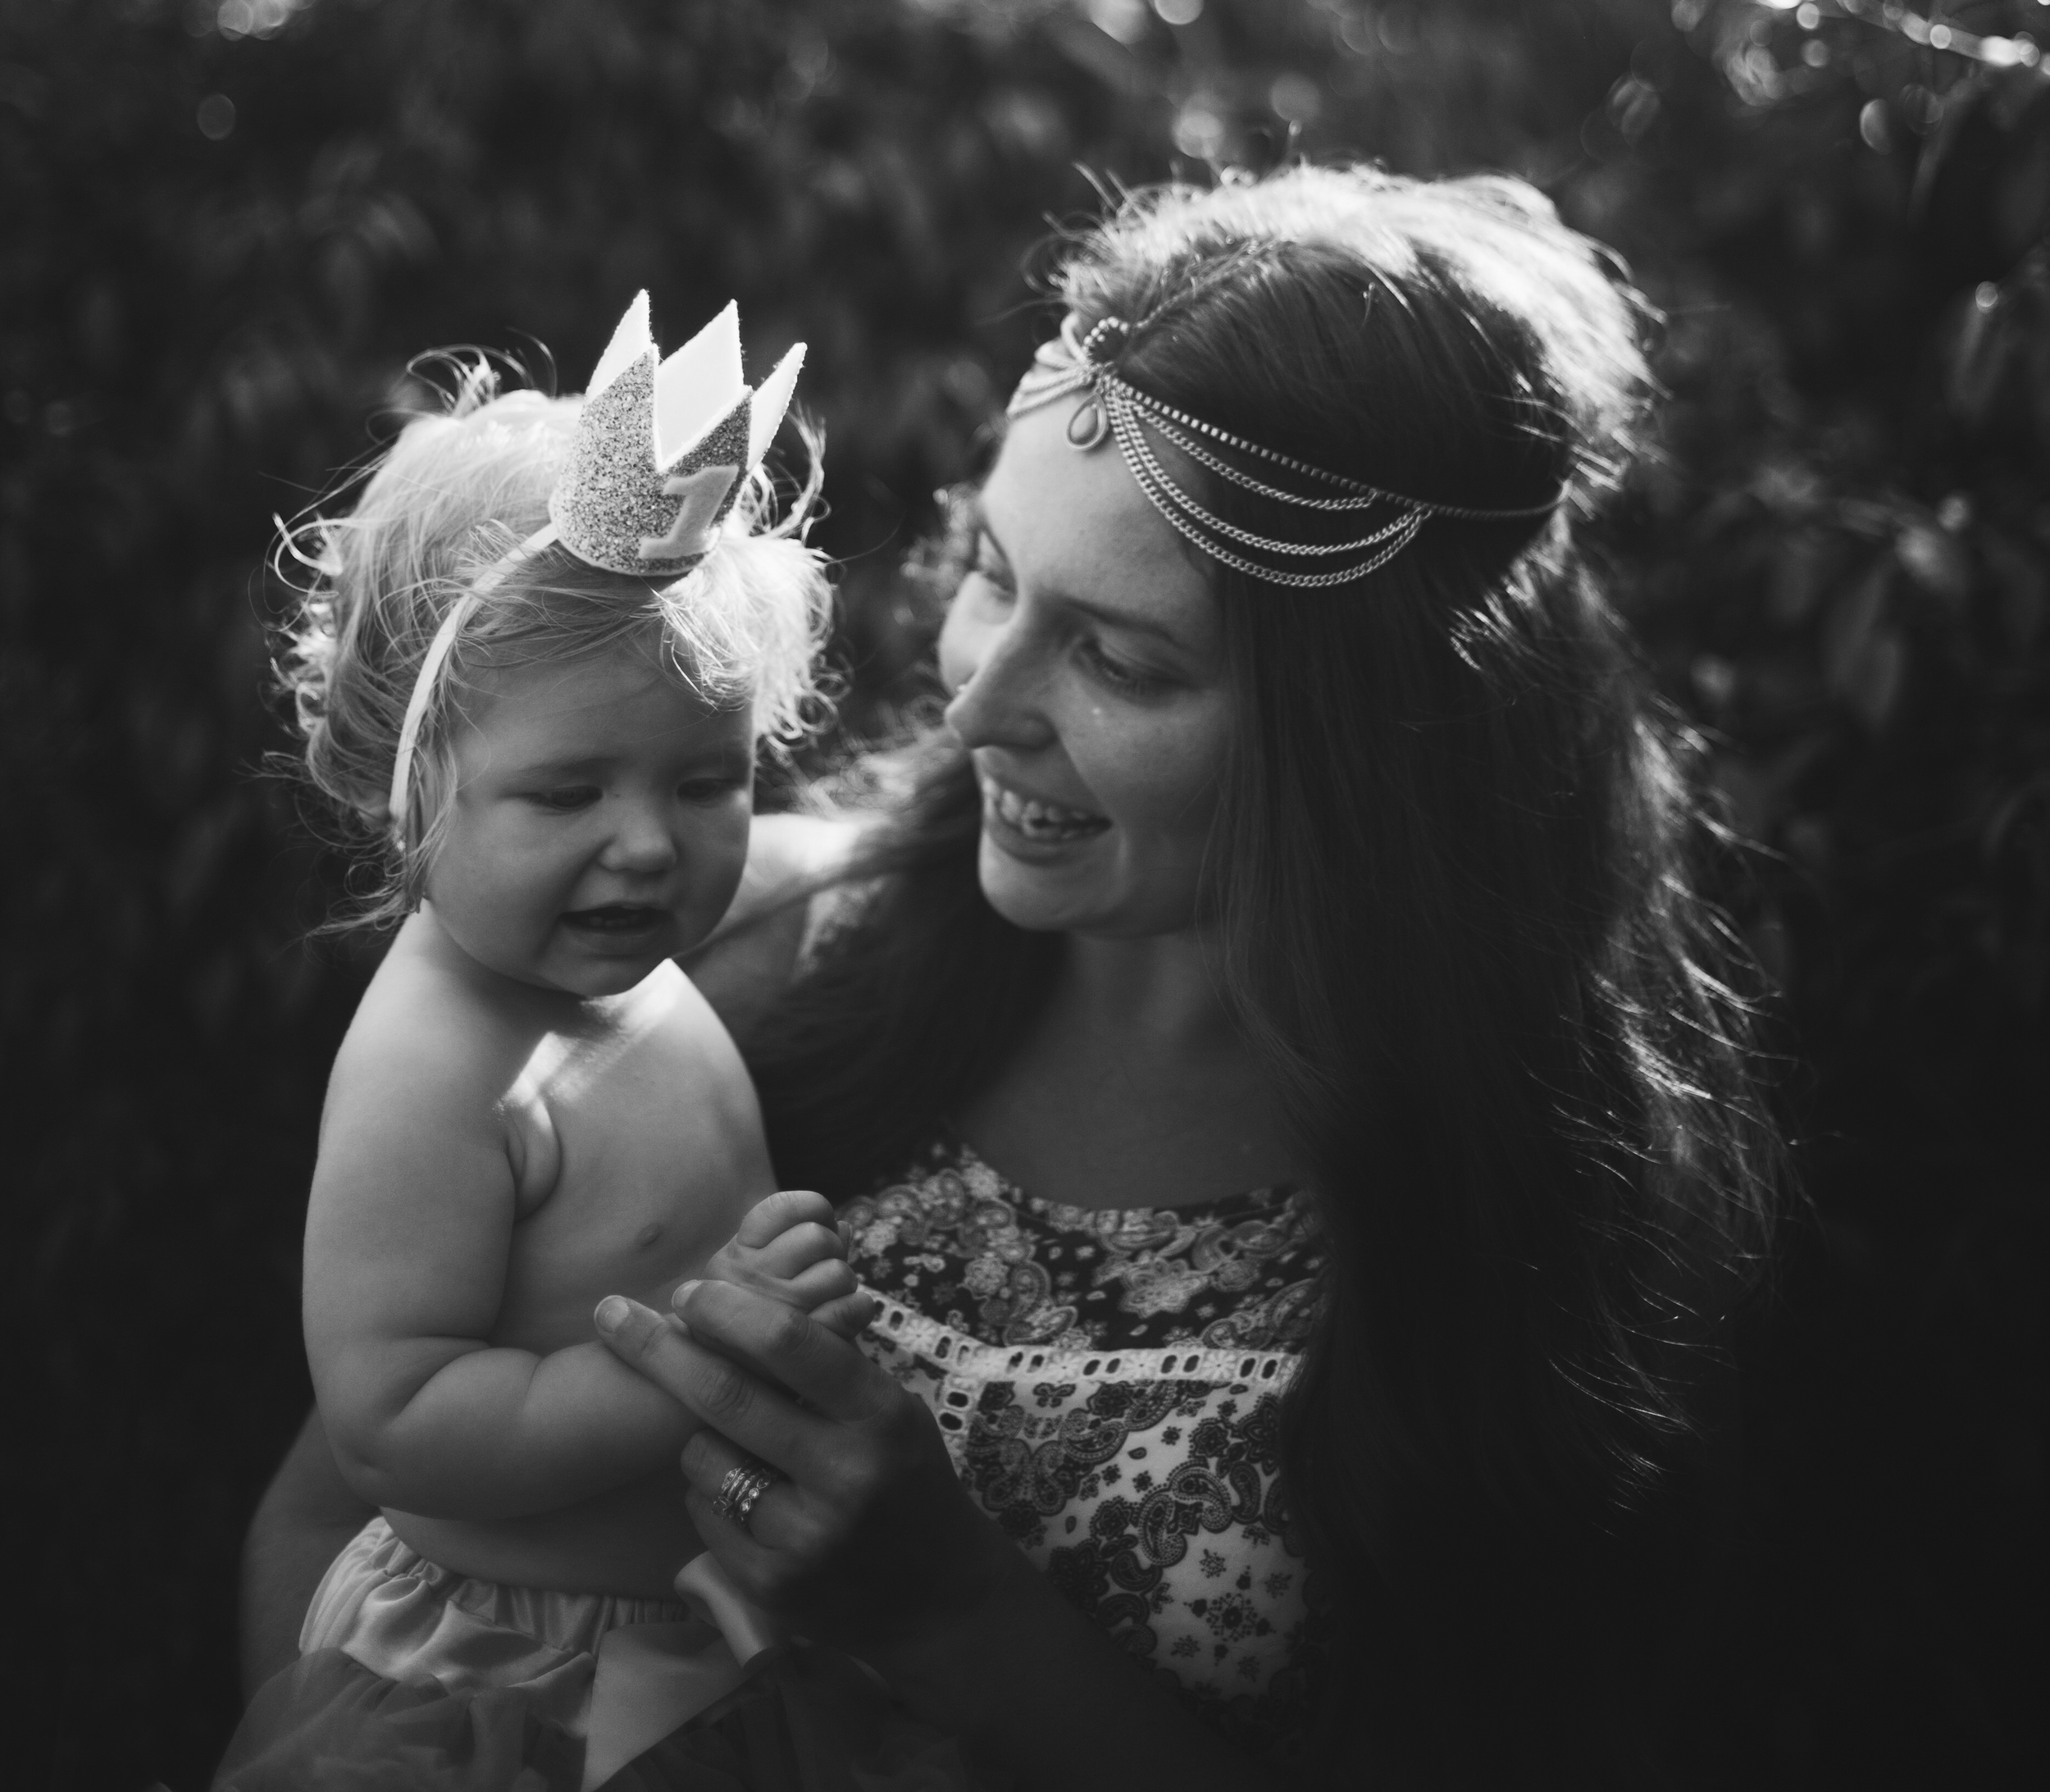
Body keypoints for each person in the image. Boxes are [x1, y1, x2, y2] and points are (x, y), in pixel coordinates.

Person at [246, 168, 1776, 1787]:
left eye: (1119, 657)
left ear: (1368, 739)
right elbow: (338, 1507)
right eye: (988, 574)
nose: (972, 706)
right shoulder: (722, 942)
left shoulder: (1522, 1228)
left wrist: (956, 1615)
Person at [216, 294, 936, 1790]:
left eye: (704, 778)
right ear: (403, 782)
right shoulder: (439, 1062)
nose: (646, 847)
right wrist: (680, 1370)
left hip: (683, 1625)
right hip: (510, 1675)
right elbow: (395, 1422)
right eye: (566, 794)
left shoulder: (620, 971)